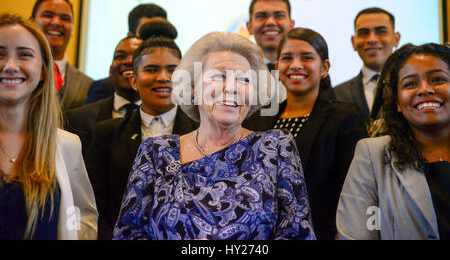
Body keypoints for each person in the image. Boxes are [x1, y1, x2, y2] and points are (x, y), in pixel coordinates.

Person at [114, 32, 315, 240]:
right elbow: (129, 233)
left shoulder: (276, 147)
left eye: (243, 79)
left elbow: (297, 233)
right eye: (218, 76)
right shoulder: (156, 152)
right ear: (193, 86)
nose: (231, 88)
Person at [244, 27, 367, 240]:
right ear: (278, 67)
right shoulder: (257, 121)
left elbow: (356, 188)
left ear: (324, 67)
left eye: (307, 57)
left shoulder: (344, 117)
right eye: (287, 58)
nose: (296, 65)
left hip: (324, 233)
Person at [85, 20, 197, 239]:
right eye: (152, 69)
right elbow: (95, 204)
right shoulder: (107, 133)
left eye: (172, 70)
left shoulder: (202, 132)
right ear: (134, 80)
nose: (163, 77)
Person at [336, 43, 449, 240]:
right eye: (410, 84)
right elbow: (356, 235)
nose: (424, 89)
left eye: (438, 79)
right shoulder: (372, 155)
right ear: (397, 101)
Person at [0, 13, 97, 239]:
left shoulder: (66, 145)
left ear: (44, 71)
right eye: (0, 54)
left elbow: (83, 219)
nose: (10, 66)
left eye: (24, 55)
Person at [65, 36, 143, 157]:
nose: (128, 61)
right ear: (110, 71)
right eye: (120, 56)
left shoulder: (166, 119)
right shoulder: (77, 119)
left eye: (137, 57)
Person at [85, 3, 168, 104]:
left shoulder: (179, 87)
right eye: (146, 35)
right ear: (131, 36)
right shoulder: (105, 89)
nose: (154, 42)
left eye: (160, 35)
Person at [334, 7, 401, 121]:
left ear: (396, 39)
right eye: (364, 33)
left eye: (381, 31)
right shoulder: (337, 94)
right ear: (353, 42)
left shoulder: (412, 87)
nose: (372, 39)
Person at [30, 0, 93, 111]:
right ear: (31, 22)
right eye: (48, 15)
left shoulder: (89, 86)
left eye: (65, 18)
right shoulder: (11, 73)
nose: (56, 23)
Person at [246, 0, 295, 71]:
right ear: (249, 27)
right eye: (261, 16)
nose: (270, 22)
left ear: (291, 25)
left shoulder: (307, 70)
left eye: (279, 16)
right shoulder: (236, 71)